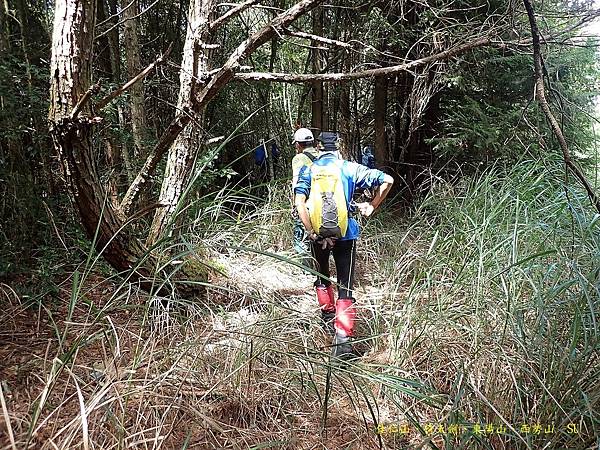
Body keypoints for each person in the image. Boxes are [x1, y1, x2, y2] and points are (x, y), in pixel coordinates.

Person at [294, 133, 394, 360]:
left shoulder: (309, 170)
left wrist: (310, 231)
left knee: (321, 275)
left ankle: (327, 317)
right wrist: (372, 205)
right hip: (346, 233)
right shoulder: (350, 168)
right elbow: (387, 180)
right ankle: (344, 341)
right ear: (338, 148)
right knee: (345, 284)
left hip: (317, 234)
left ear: (318, 149)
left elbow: (299, 203)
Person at [291, 128, 319, 262]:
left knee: (301, 238)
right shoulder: (321, 156)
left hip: (305, 204)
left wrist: (295, 205)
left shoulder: (299, 158)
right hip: (321, 204)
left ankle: (307, 271)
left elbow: (297, 184)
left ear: (298, 144)